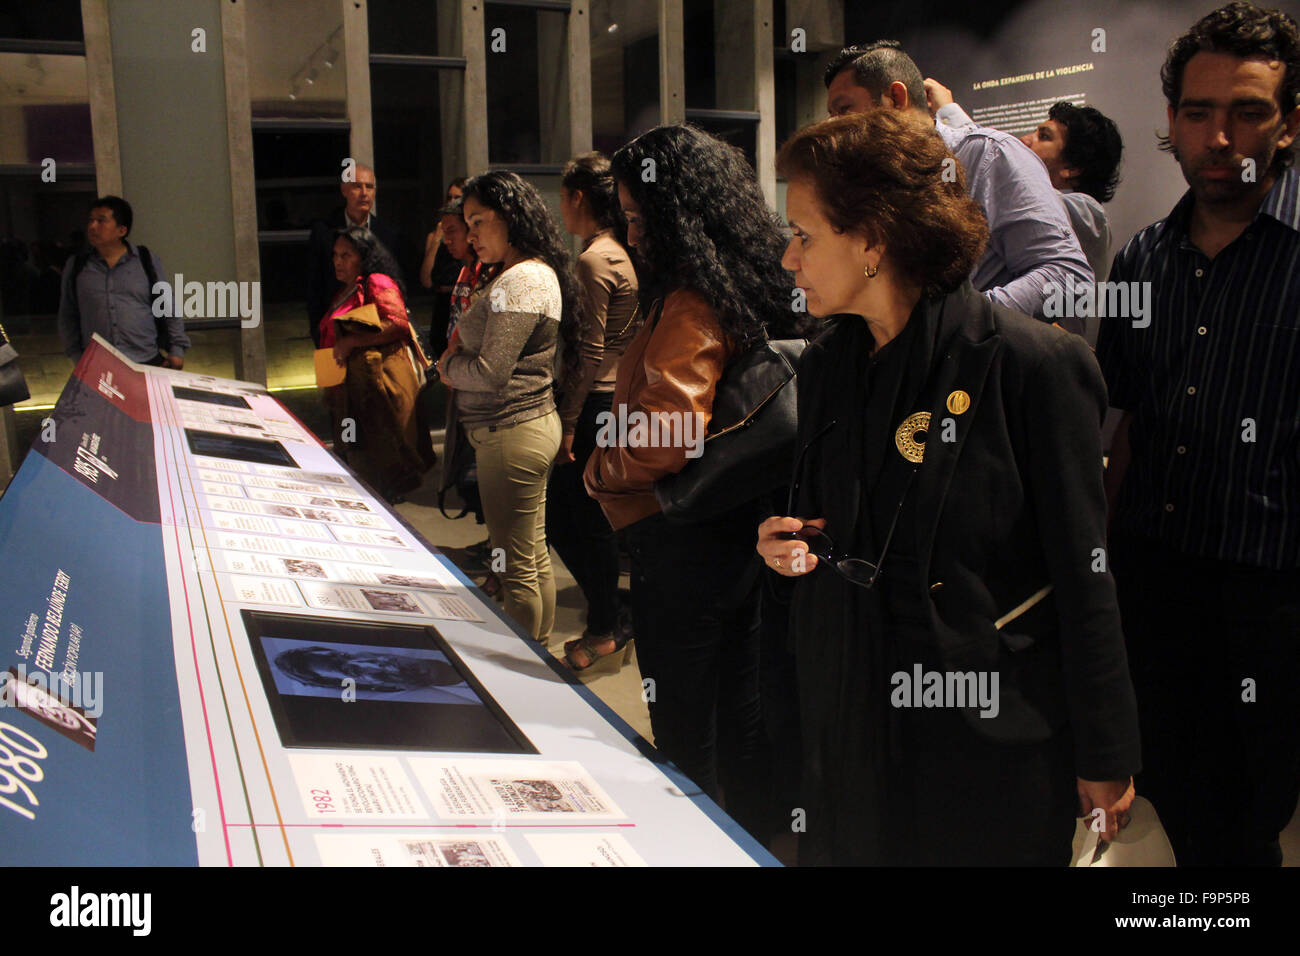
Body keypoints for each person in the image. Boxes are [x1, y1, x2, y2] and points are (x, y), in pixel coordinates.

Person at [757, 110, 1141, 866]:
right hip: (851, 722)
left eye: (804, 234)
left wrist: (1105, 752)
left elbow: (1085, 576)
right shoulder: (828, 362)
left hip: (984, 749)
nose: (786, 258)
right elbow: (824, 520)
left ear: (871, 241)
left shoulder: (1033, 367)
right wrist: (786, 546)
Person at [1097, 0, 1300, 867]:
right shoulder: (1143, 256)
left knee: (1254, 813)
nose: (1222, 137)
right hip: (1157, 579)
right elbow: (1126, 423)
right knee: (1181, 792)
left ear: (1289, 123)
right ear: (1170, 122)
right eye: (1198, 111)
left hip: (1275, 592)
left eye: (1249, 110)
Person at [583, 125, 796, 840]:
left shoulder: (691, 304)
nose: (634, 236)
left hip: (676, 538)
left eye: (641, 220)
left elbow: (664, 434)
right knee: (739, 718)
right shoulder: (738, 286)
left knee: (684, 735)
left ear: (679, 217)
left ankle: (698, 848)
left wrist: (598, 467)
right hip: (734, 531)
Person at [825, 41, 1094, 328]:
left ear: (895, 97)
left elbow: (1069, 278)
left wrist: (963, 325)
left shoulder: (989, 155)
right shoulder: (869, 184)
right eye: (832, 115)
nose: (834, 126)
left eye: (844, 109)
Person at [435, 171, 584, 645]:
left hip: (511, 431)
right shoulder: (527, 273)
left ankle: (525, 669)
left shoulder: (522, 280)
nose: (472, 234)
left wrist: (447, 368)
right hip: (523, 426)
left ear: (511, 217)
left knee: (515, 564)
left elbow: (491, 372)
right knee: (531, 556)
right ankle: (538, 662)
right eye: (467, 223)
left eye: (479, 221)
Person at [547, 153, 641, 671]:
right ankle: (612, 613)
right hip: (617, 399)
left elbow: (588, 351)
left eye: (562, 197)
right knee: (589, 517)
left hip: (595, 403)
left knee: (573, 517)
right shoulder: (621, 251)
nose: (560, 208)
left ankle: (608, 623)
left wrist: (565, 421)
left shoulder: (594, 259)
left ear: (577, 197)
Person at [925, 82, 1124, 286]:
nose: (1024, 140)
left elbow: (1016, 189)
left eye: (1044, 137)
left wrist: (950, 115)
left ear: (1072, 168)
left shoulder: (1089, 215)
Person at [320, 227, 430, 503]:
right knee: (356, 460)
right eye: (335, 255)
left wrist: (351, 342)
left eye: (346, 254)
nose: (338, 261)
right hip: (350, 393)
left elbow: (398, 324)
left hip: (378, 388)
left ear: (364, 256)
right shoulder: (345, 290)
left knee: (378, 467)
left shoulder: (377, 281)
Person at [57, 196, 190, 368]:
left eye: (101, 221)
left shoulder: (145, 260)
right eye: (91, 220)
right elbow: (67, 315)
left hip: (146, 360)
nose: (92, 226)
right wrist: (77, 357)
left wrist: (177, 350)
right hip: (97, 366)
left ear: (121, 230)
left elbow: (168, 307)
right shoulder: (77, 266)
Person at [307, 163, 406, 346]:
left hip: (379, 335)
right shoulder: (324, 232)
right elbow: (314, 287)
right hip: (334, 331)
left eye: (369, 187)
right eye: (356, 186)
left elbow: (397, 287)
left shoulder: (387, 235)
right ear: (344, 190)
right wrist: (318, 333)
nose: (364, 193)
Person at [420, 177, 468, 355]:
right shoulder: (438, 236)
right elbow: (426, 279)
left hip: (462, 295)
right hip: (442, 300)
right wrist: (438, 239)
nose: (452, 202)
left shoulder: (469, 237)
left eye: (458, 197)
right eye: (450, 197)